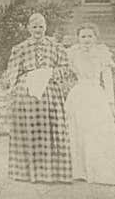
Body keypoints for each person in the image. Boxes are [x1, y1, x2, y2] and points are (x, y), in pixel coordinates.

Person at [5, 13, 73, 183]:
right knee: (29, 131)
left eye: (41, 27)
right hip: (27, 94)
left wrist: (49, 73)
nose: (38, 30)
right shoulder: (20, 48)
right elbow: (13, 72)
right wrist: (18, 86)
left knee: (51, 131)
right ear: (28, 28)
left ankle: (51, 173)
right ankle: (26, 173)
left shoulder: (56, 47)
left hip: (49, 94)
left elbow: (65, 68)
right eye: (34, 27)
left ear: (46, 27)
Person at [64, 23, 115, 184]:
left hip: (96, 94)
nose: (86, 39)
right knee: (78, 130)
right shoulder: (73, 53)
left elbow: (108, 79)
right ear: (78, 38)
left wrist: (111, 102)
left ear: (96, 38)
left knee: (96, 131)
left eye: (90, 36)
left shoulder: (102, 53)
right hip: (78, 94)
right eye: (83, 36)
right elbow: (65, 72)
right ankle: (80, 170)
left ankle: (98, 170)